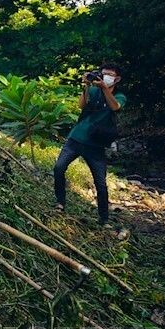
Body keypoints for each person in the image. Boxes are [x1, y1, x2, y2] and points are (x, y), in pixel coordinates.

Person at [53, 63, 126, 226]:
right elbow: (82, 105)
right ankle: (60, 202)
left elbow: (115, 107)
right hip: (77, 138)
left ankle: (104, 218)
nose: (104, 77)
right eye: (102, 74)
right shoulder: (93, 91)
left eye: (109, 75)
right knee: (58, 168)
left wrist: (104, 88)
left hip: (96, 145)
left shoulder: (120, 96)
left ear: (117, 79)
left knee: (100, 182)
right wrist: (86, 86)